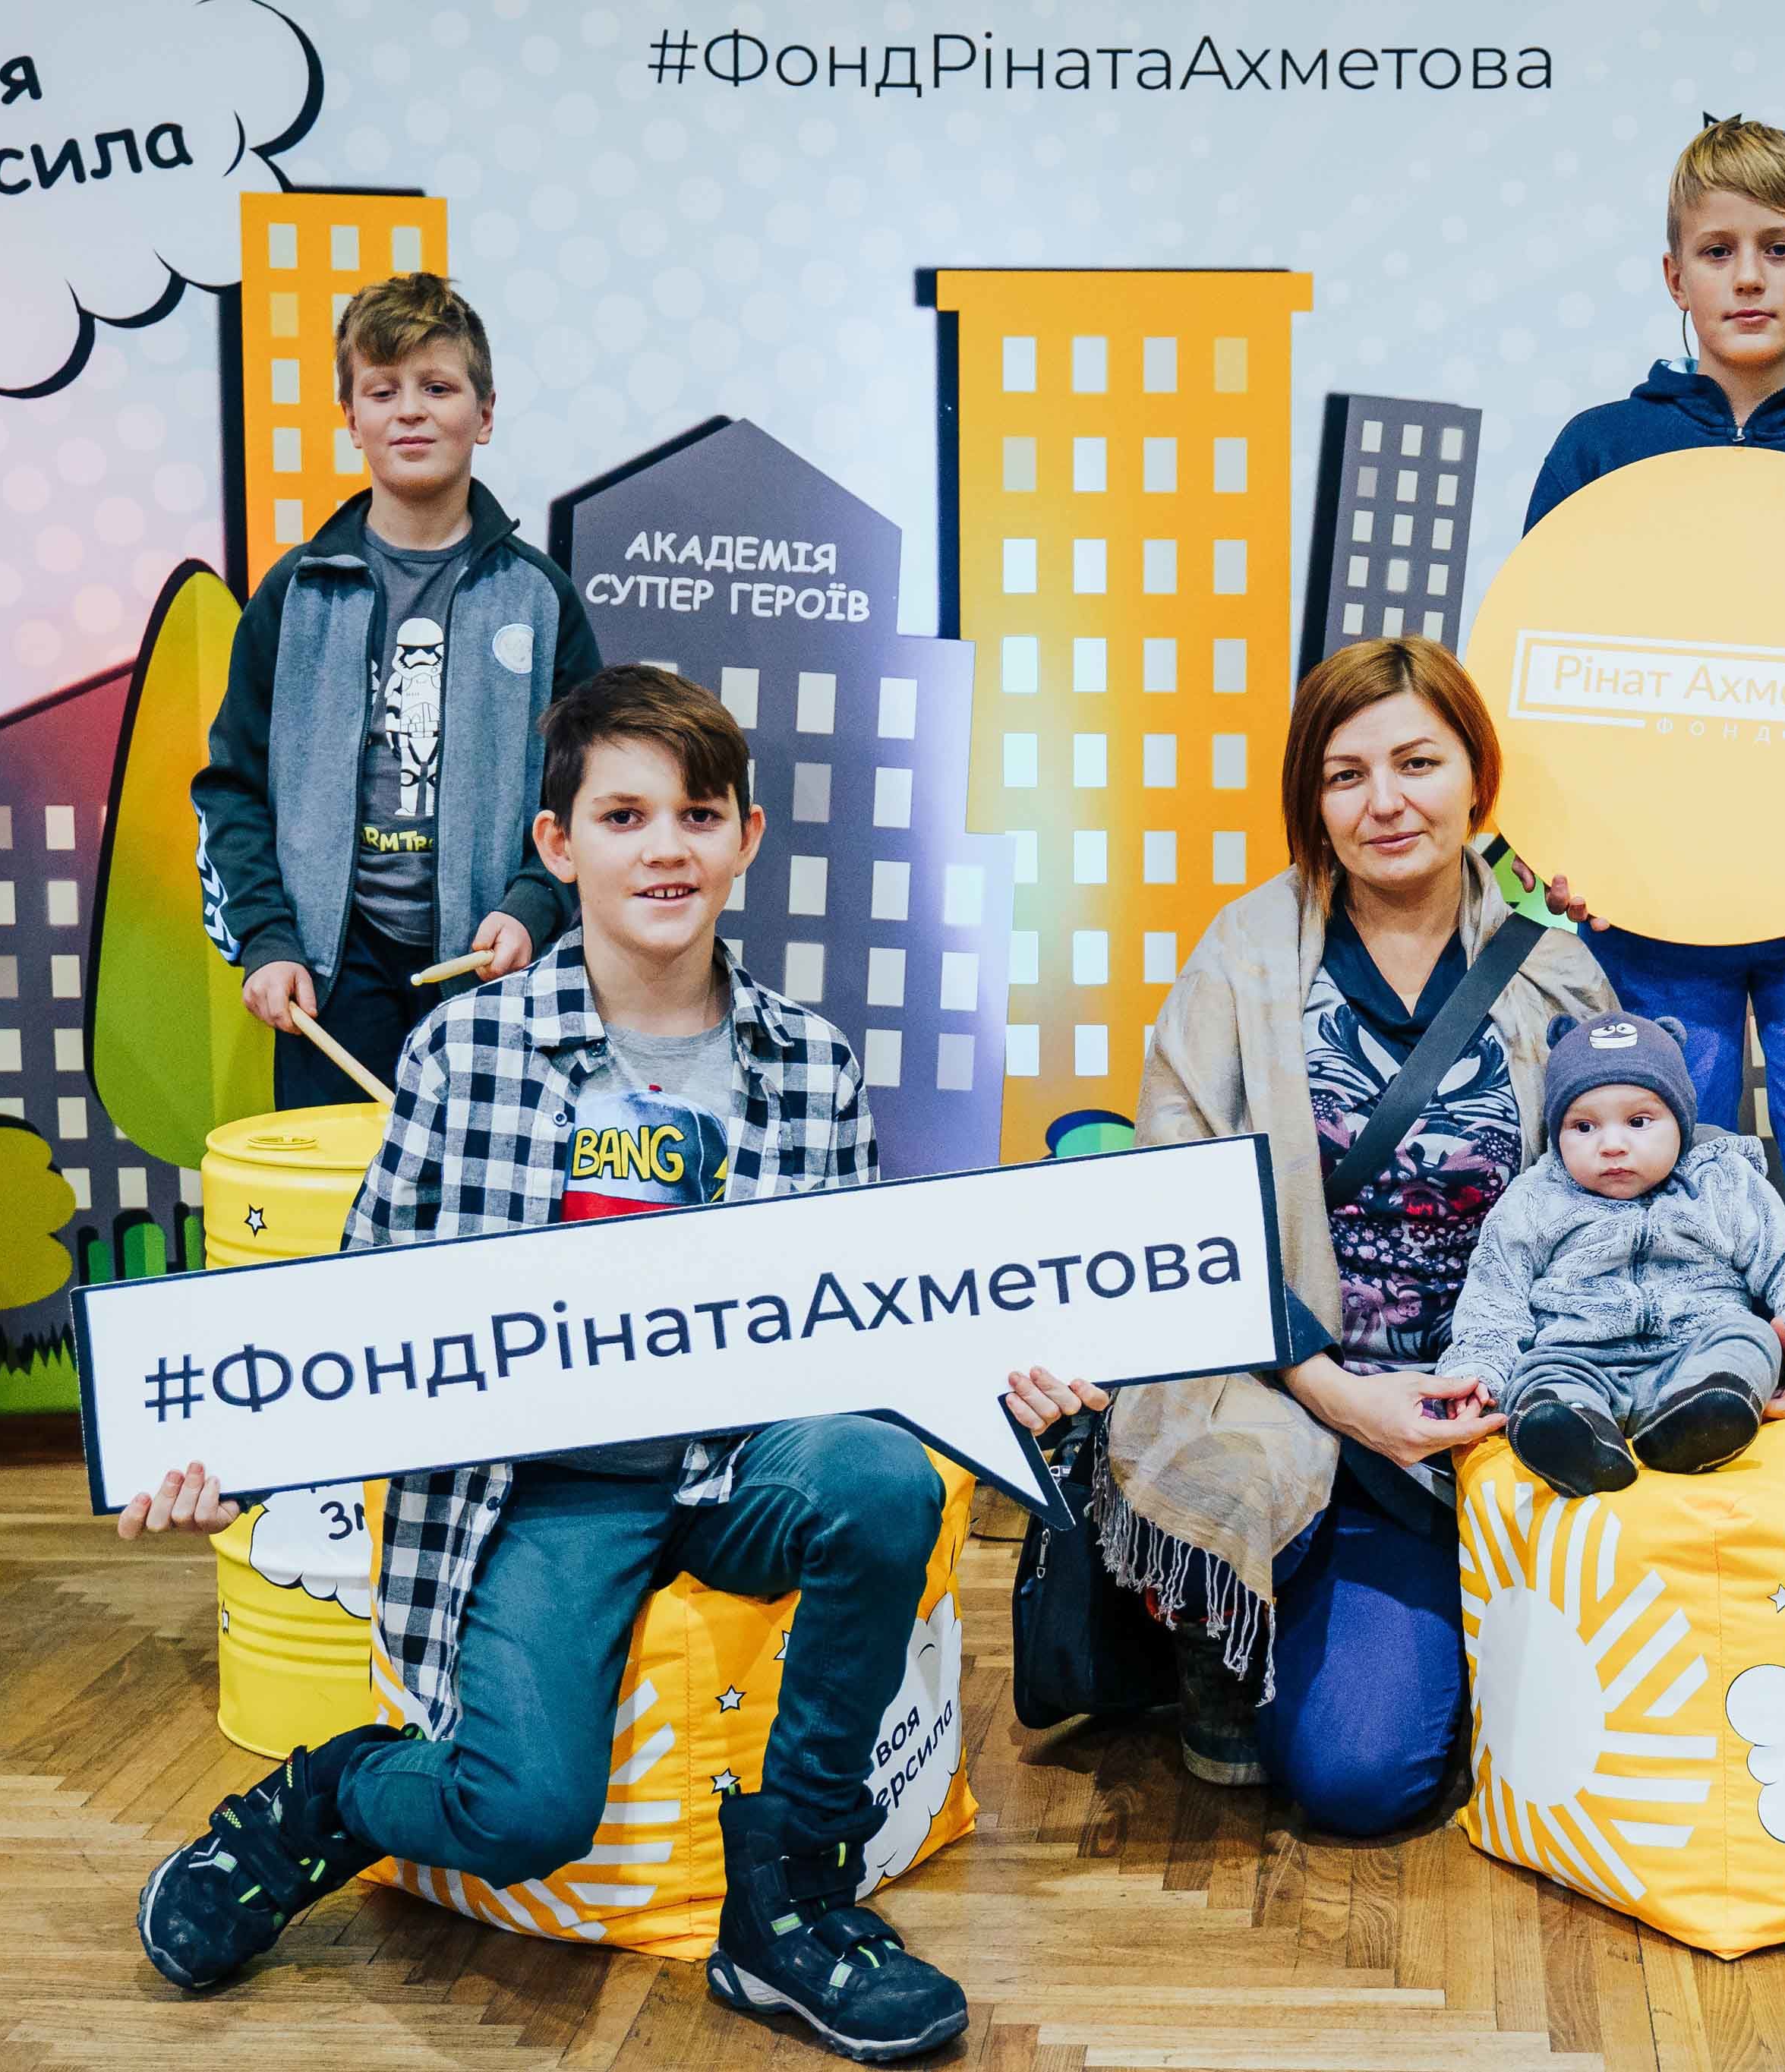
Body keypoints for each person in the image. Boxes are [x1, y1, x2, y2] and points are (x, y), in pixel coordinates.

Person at [121, 667, 1104, 2064]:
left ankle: (790, 1905)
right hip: (547, 1488)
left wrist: (993, 1382)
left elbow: (868, 1322)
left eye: (697, 815)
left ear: (745, 838)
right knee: (521, 1809)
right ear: (558, 843)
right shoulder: (464, 1052)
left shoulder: (811, 1062)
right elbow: (360, 1315)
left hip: (740, 1458)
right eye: (624, 815)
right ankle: (329, 1798)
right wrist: (243, 1463)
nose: (664, 849)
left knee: (882, 1478)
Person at [1097, 637, 1616, 1831]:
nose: (1384, 802)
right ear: (1311, 800)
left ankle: (1434, 1622)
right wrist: (1341, 1395)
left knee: (1393, 1754)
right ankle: (1251, 1607)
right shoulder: (1244, 956)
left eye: (1417, 763)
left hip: (1495, 1404)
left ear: (1477, 776)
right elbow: (1177, 1205)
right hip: (1299, 1396)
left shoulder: (1556, 972)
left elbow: (1625, 1196)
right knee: (1355, 1780)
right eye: (1345, 775)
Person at [1522, 115, 1785, 1408]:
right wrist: (1561, 850)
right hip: (1648, 917)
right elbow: (1537, 675)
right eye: (1717, 251)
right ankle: (1674, 1484)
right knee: (1651, 1211)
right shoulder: (1600, 449)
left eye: (1779, 246)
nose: (1749, 276)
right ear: (1675, 275)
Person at [194, 270, 604, 1113]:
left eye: (438, 387)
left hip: (490, 968)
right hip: (328, 978)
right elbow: (231, 787)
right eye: (382, 391)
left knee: (482, 1183)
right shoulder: (296, 593)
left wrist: (534, 903)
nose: (410, 410)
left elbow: (591, 791)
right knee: (343, 1187)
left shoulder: (541, 599)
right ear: (352, 420)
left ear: (484, 414)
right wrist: (268, 939)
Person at [1441, 1011, 1785, 1500]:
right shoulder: (1536, 1197)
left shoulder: (1722, 1182)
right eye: (1584, 1126)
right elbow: (1496, 1292)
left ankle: (1704, 1419)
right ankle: (1573, 1439)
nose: (1612, 1145)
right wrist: (1476, 1373)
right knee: (1540, 1375)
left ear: (1681, 1122)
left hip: (1697, 1351)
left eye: (1639, 1122)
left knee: (1749, 1336)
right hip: (1579, 1358)